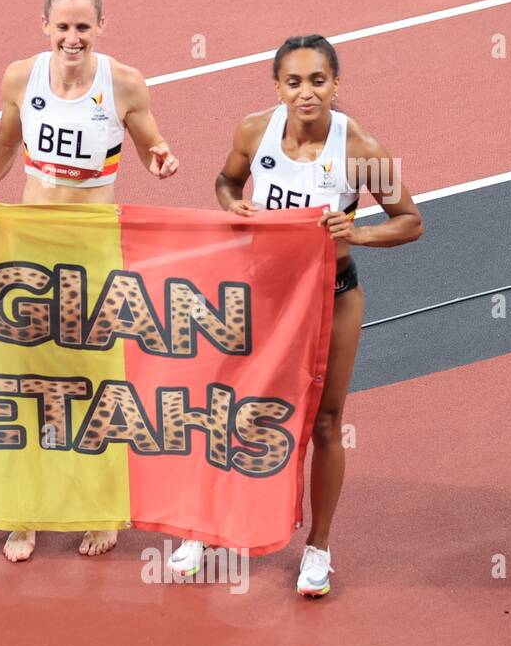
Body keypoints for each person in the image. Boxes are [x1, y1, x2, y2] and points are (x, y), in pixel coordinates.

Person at [167, 34, 422, 596]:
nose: (306, 92)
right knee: (226, 412)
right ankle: (203, 529)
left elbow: (409, 221)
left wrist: (356, 232)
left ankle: (318, 548)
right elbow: (227, 180)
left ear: (336, 84)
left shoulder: (359, 149)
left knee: (327, 423)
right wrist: (231, 203)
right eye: (293, 82)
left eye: (317, 81)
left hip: (332, 297)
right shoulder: (254, 131)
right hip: (261, 298)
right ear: (277, 86)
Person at [0, 0, 179, 562]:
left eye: (83, 27)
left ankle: (99, 506)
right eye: (62, 26)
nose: (72, 37)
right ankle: (27, 514)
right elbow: (6, 142)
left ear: (100, 28)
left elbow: (150, 145)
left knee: (92, 386)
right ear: (45, 26)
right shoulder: (22, 77)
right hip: (32, 250)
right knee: (28, 384)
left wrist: (159, 157)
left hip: (91, 256)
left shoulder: (124, 84)